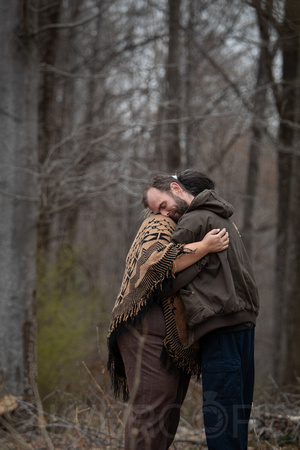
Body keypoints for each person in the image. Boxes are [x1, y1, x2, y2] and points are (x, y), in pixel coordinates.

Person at [143, 169, 259, 450]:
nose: (164, 216)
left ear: (176, 189)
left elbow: (161, 274)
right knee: (236, 420)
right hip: (245, 328)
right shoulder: (223, 217)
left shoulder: (194, 220)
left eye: (163, 206)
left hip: (220, 330)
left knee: (222, 424)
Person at [107, 212, 229, 450]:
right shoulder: (158, 223)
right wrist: (204, 247)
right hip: (144, 326)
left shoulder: (186, 223)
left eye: (164, 204)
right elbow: (157, 264)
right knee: (150, 414)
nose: (162, 209)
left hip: (172, 337)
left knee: (166, 417)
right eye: (157, 204)